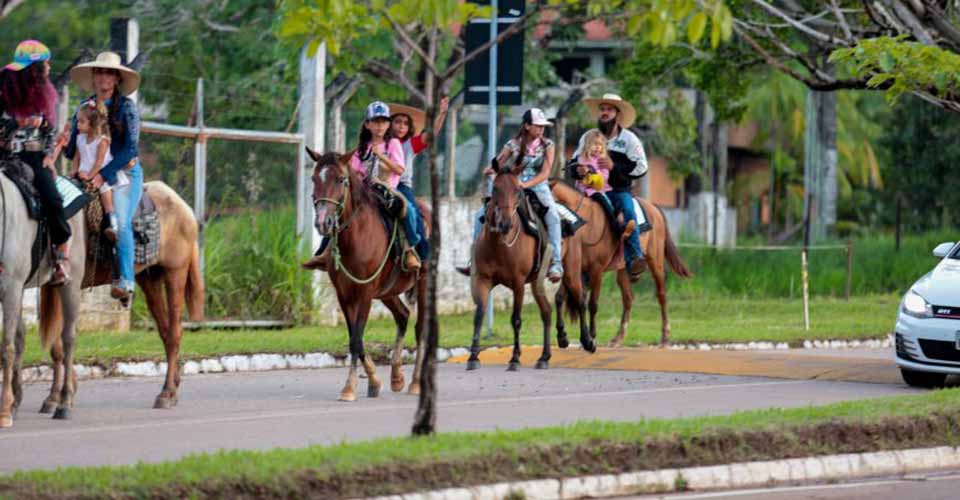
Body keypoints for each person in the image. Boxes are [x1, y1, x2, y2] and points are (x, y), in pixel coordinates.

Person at [306, 101, 420, 271]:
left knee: (407, 208)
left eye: (383, 121)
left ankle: (409, 249)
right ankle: (323, 252)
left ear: (388, 124)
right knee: (340, 210)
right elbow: (357, 172)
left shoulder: (393, 144)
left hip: (387, 188)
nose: (380, 126)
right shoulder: (361, 149)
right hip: (365, 189)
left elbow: (399, 169)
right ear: (367, 124)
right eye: (375, 121)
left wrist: (381, 156)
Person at [65, 52, 143, 301]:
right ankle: (60, 265)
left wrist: (103, 176)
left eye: (109, 72)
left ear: (117, 78)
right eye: (99, 72)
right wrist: (65, 139)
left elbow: (130, 148)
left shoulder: (126, 108)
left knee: (119, 222)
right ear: (93, 77)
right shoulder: (84, 107)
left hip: (123, 173)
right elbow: (72, 149)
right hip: (87, 172)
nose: (103, 77)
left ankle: (126, 281)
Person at [458, 108, 564, 282]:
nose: (541, 129)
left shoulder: (548, 145)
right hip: (511, 186)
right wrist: (490, 170)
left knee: (553, 215)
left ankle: (556, 263)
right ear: (527, 126)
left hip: (538, 186)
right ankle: (475, 260)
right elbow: (497, 163)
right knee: (480, 215)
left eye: (543, 126)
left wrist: (525, 184)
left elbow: (545, 173)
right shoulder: (512, 144)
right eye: (538, 126)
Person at [0, 40, 72, 285]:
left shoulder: (47, 96)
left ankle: (60, 254)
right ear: (34, 69)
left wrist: (49, 156)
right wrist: (11, 127)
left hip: (34, 157)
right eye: (46, 64)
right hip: (6, 156)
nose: (50, 68)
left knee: (53, 198)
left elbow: (51, 132)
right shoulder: (3, 94)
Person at [570, 93, 648, 280]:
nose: (604, 113)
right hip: (589, 190)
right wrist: (578, 170)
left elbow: (641, 167)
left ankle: (634, 259)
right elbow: (574, 160)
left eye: (609, 109)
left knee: (629, 213)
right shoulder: (588, 137)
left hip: (618, 191)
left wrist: (615, 167)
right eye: (602, 109)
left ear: (617, 114)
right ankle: (567, 257)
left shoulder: (629, 139)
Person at [387, 96, 449, 262]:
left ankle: (421, 252)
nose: (401, 127)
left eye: (405, 124)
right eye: (397, 122)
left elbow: (431, 134)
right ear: (389, 124)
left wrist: (441, 114)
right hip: (379, 184)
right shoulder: (379, 143)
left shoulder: (410, 144)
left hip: (401, 186)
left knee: (412, 212)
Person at [70, 100, 126, 240]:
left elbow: (99, 162)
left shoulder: (102, 141)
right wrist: (74, 171)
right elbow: (77, 157)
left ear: (92, 123)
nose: (78, 125)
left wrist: (89, 176)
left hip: (100, 174)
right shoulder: (80, 138)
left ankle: (112, 225)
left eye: (82, 122)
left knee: (105, 195)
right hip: (83, 173)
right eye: (78, 121)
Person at [573, 128, 635, 237]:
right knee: (603, 202)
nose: (597, 147)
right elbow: (580, 173)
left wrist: (593, 173)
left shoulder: (602, 159)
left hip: (601, 187)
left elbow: (605, 176)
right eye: (594, 144)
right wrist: (584, 172)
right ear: (587, 145)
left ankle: (621, 222)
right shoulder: (583, 158)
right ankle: (616, 226)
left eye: (600, 145)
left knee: (617, 203)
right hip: (588, 189)